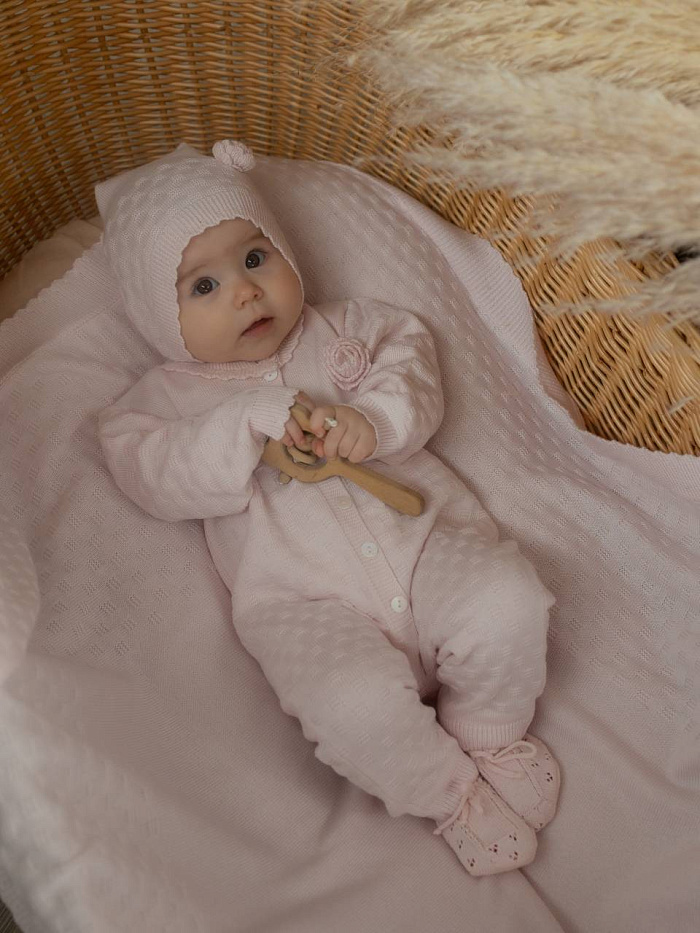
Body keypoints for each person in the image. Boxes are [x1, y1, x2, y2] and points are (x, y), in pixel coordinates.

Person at [97, 139, 560, 877]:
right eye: (203, 286)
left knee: (508, 600)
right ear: (158, 313)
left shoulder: (349, 329)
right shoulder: (164, 404)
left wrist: (373, 420)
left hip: (425, 545)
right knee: (351, 707)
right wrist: (244, 425)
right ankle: (450, 794)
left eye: (255, 258)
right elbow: (150, 472)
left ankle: (488, 728)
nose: (245, 292)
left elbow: (413, 364)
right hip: (304, 604)